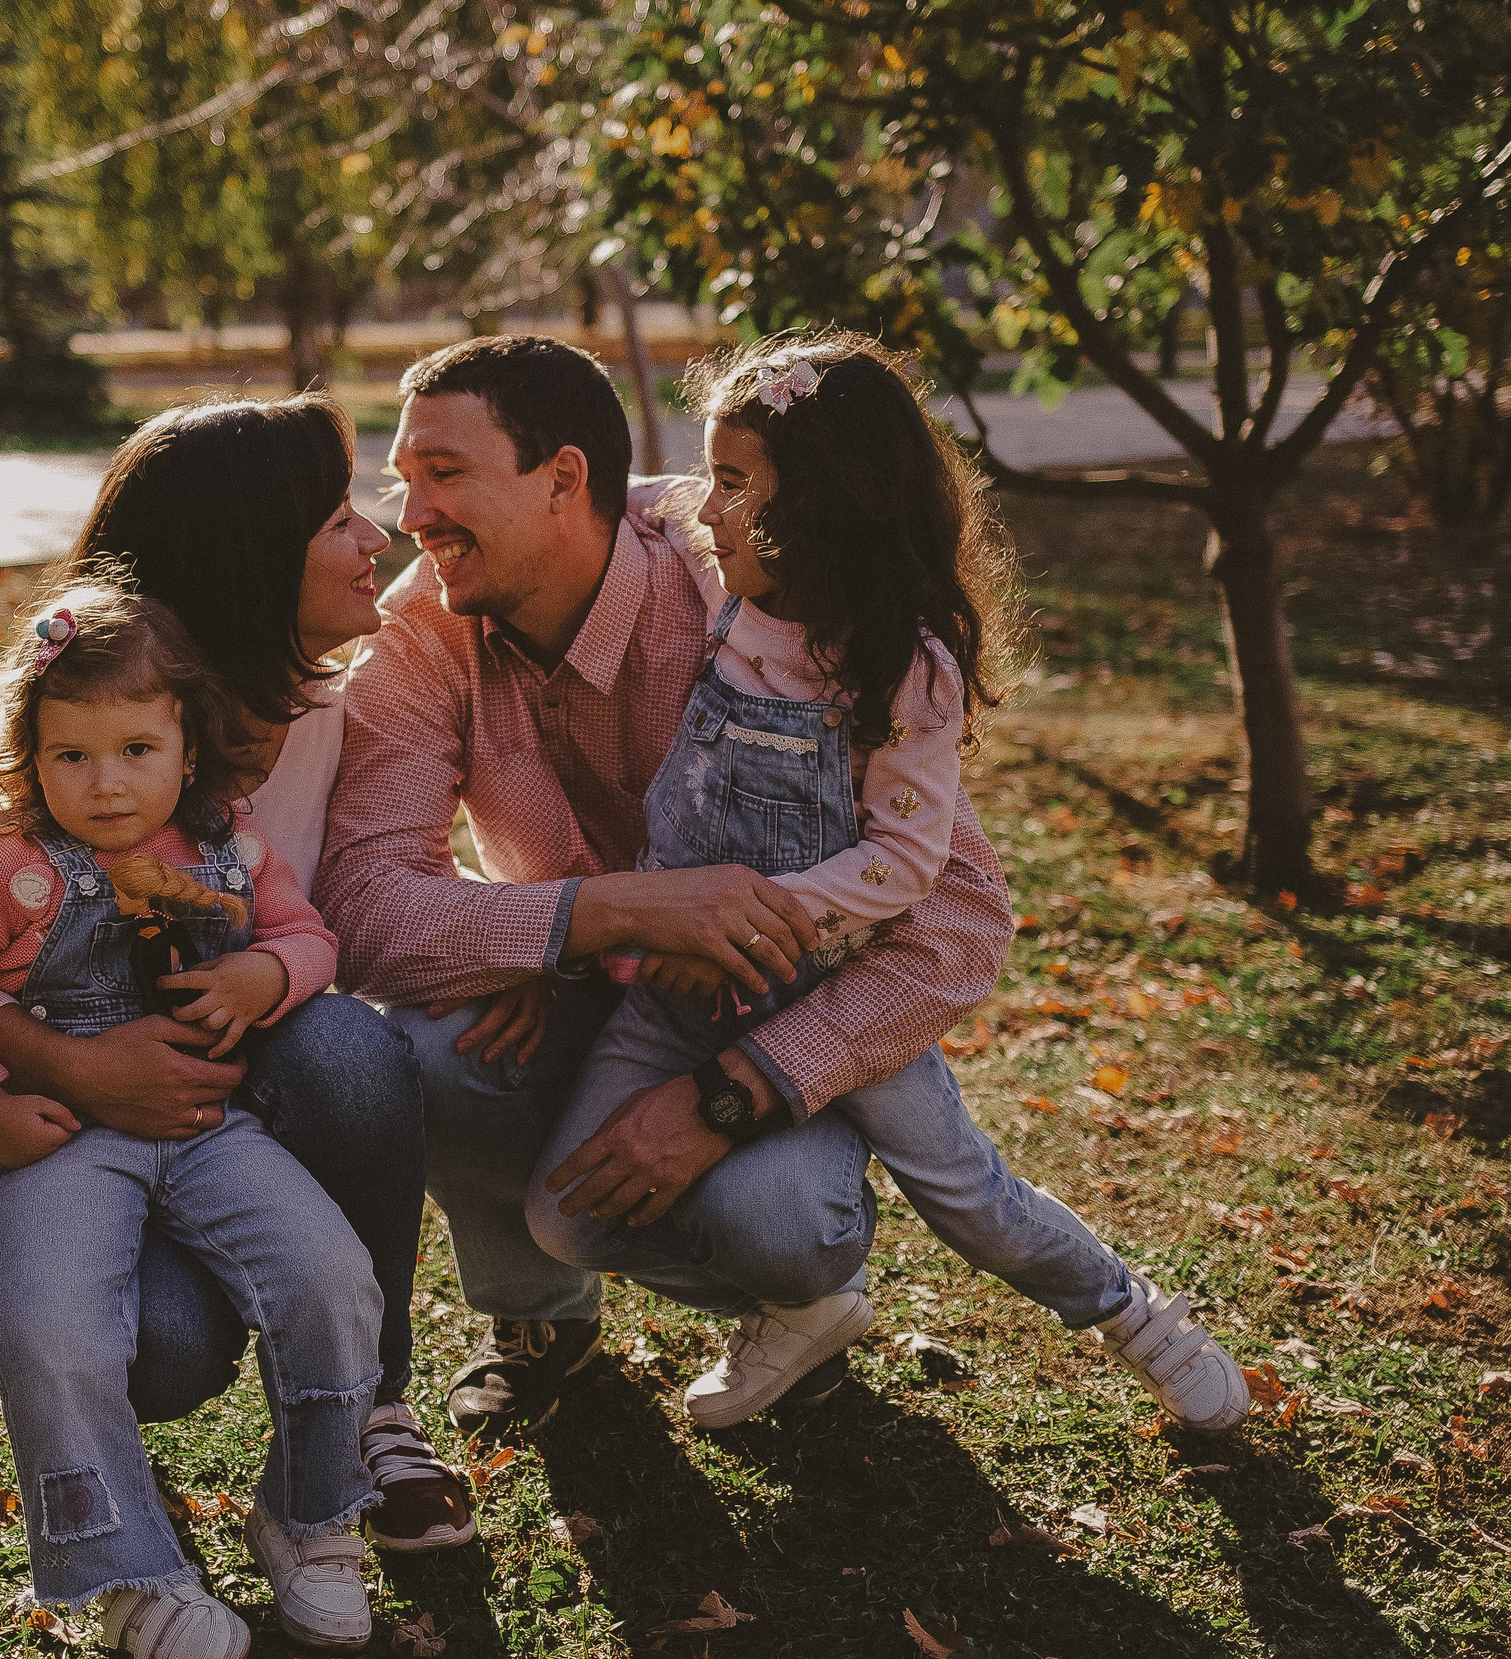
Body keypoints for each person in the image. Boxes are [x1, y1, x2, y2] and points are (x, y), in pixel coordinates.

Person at [317, 333, 1246, 1443]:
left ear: (565, 478)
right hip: (605, 993)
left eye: (444, 475)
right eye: (401, 480)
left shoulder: (756, 583)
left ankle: (836, 1305)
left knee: (796, 1221)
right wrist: (575, 925)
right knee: (430, 1043)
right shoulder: (424, 632)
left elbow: (952, 919)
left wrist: (740, 1089)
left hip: (783, 1001)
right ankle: (538, 1322)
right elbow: (366, 907)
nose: (406, 519)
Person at [0, 584, 380, 1659]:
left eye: (136, 748)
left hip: (206, 1128)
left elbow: (308, 936)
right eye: (71, 755)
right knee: (50, 1334)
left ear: (188, 744)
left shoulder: (227, 845)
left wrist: (266, 971)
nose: (105, 783)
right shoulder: (11, 867)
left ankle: (311, 1517)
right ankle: (127, 1574)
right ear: (30, 758)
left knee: (329, 1277)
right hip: (60, 1141)